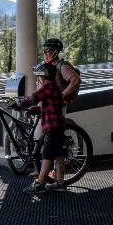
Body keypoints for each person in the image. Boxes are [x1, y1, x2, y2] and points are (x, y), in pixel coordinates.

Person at [14, 61, 66, 194]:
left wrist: (19, 104)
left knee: (47, 155)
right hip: (58, 126)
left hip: (52, 127)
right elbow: (47, 106)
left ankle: (39, 184)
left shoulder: (47, 87)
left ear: (44, 75)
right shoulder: (54, 88)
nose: (38, 79)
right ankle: (60, 183)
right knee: (58, 155)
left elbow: (34, 97)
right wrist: (34, 109)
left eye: (39, 76)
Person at [40, 37, 80, 181]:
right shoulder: (47, 66)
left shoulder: (62, 66)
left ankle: (47, 177)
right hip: (49, 107)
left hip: (58, 108)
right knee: (51, 142)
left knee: (53, 141)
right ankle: (56, 178)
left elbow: (75, 80)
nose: (45, 53)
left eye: (48, 51)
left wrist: (61, 95)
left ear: (56, 52)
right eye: (44, 51)